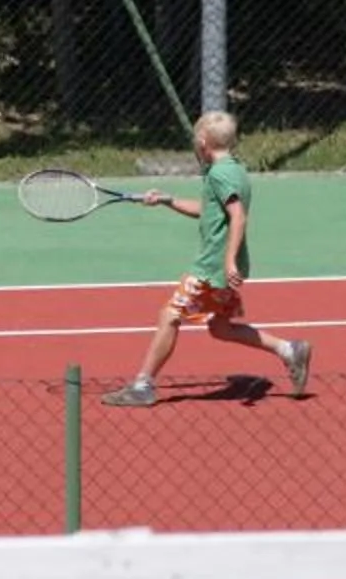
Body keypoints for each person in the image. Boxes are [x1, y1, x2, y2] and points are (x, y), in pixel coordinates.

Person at [99, 111, 312, 408]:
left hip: (211, 268)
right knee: (220, 328)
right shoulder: (234, 169)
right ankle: (288, 349)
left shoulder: (220, 174)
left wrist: (228, 262)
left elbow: (237, 216)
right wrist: (168, 201)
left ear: (202, 142)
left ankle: (142, 385)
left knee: (170, 316)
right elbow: (209, 209)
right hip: (220, 268)